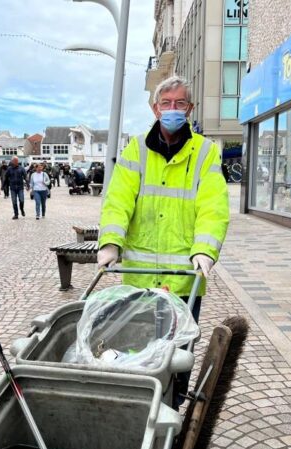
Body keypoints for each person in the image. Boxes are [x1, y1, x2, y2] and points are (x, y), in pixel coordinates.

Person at [97, 75, 229, 318]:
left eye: (180, 104)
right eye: (166, 103)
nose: (172, 109)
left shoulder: (206, 151)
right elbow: (118, 200)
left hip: (184, 280)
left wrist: (205, 250)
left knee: (179, 352)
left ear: (189, 109)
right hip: (140, 279)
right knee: (136, 348)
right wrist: (110, 242)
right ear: (155, 108)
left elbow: (213, 207)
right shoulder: (136, 149)